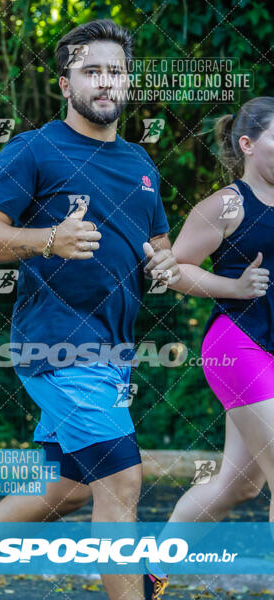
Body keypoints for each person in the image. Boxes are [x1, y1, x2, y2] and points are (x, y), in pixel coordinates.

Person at [0, 19, 181, 600]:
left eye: (115, 71)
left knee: (69, 486)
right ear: (66, 83)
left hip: (114, 352)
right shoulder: (36, 147)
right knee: (120, 482)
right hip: (59, 344)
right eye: (91, 71)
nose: (105, 82)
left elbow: (158, 249)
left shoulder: (142, 166)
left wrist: (165, 266)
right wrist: (48, 239)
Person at [139, 96, 274, 595]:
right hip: (238, 345)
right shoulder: (226, 205)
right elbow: (172, 270)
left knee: (240, 484)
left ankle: (152, 569)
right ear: (248, 144)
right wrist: (234, 287)